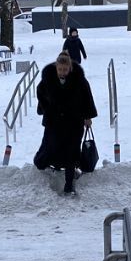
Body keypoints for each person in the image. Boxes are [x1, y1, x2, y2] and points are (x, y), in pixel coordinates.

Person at [34, 52, 98, 194]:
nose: (62, 72)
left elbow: (87, 98)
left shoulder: (79, 80)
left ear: (70, 68)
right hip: (54, 122)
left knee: (72, 151)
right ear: (56, 67)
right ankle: (50, 167)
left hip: (73, 121)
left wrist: (88, 117)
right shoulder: (48, 79)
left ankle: (69, 182)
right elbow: (40, 93)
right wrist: (46, 108)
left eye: (65, 69)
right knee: (51, 146)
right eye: (60, 69)